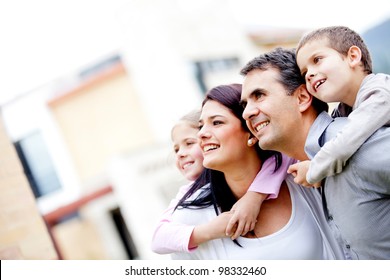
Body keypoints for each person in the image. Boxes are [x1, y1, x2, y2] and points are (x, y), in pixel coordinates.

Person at [240, 47, 390, 259]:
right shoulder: (305, 172)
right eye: (245, 104)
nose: (247, 112)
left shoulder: (359, 149)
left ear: (302, 97)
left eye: (259, 95)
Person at [169, 84, 343, 259]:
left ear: (251, 131)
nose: (202, 134)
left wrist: (256, 195)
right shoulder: (189, 217)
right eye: (201, 126)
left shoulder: (304, 178)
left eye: (217, 122)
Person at [151, 107, 294, 254]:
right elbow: (158, 239)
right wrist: (210, 230)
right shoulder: (187, 193)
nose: (180, 154)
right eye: (176, 149)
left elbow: (284, 157)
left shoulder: (268, 166)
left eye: (189, 143)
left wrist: (254, 197)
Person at [288, 26, 390, 187]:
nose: (309, 74)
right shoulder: (343, 112)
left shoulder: (380, 91)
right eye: (304, 72)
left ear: (353, 56)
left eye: (317, 60)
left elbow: (345, 142)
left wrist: (314, 170)